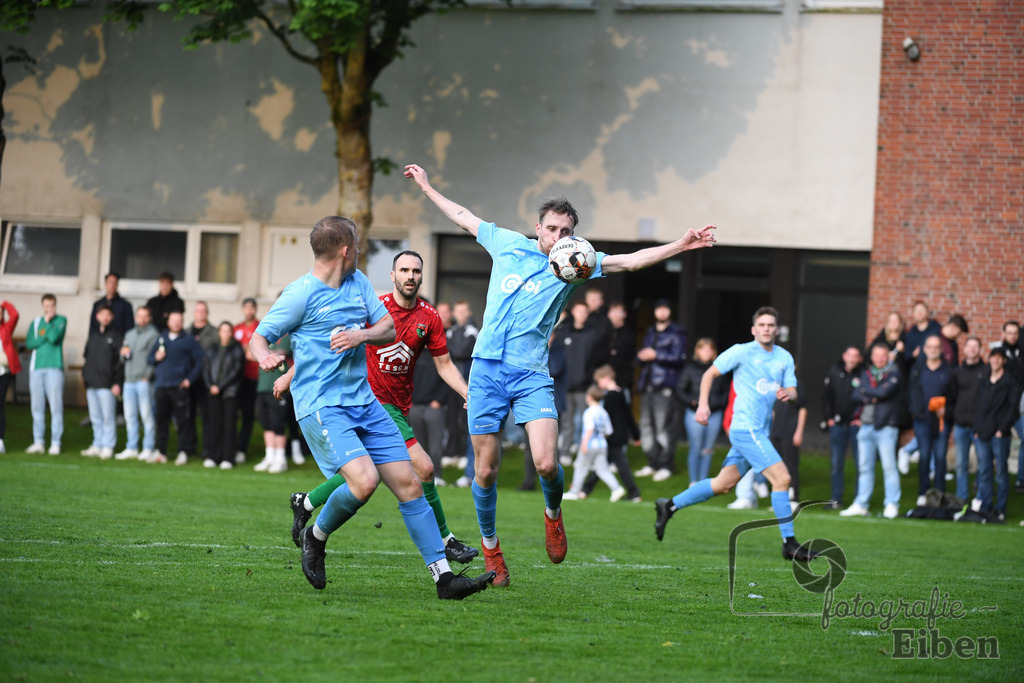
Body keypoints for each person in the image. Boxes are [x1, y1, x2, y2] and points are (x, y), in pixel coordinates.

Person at [405, 162, 716, 586]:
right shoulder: (507, 244)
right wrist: (426, 186)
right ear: (538, 228)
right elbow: (462, 215)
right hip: (486, 370)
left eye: (566, 232)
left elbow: (630, 261)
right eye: (552, 229)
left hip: (531, 372)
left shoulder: (575, 264)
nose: (558, 238)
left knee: (548, 463)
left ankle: (553, 515)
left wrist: (680, 245)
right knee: (485, 470)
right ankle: (492, 551)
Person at [252, 219, 493, 599]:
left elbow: (384, 330)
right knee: (364, 481)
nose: (362, 251)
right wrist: (266, 357)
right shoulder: (300, 294)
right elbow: (258, 337)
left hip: (366, 402)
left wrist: (359, 335)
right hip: (323, 405)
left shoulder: (359, 283)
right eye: (359, 246)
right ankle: (316, 537)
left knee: (411, 483)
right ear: (346, 250)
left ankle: (445, 579)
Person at [287, 250, 480, 567]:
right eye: (403, 270)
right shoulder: (374, 307)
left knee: (370, 471)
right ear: (393, 275)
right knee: (426, 468)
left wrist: (467, 392)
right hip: (369, 401)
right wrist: (290, 374)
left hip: (398, 406)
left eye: (416, 271)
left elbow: (444, 365)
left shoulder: (429, 317)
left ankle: (306, 502)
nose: (410, 276)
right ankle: (446, 541)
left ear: (421, 275)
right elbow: (330, 343)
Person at [655, 307, 818, 562]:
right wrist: (703, 404)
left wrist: (789, 395)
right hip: (745, 428)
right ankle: (790, 544)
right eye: (761, 324)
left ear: (776, 329)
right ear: (754, 329)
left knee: (723, 485)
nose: (766, 328)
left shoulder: (784, 357)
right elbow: (710, 373)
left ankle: (670, 505)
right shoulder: (742, 351)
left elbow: (794, 391)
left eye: (770, 325)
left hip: (760, 430)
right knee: (782, 479)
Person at [840, 343, 903, 518]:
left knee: (889, 467)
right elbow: (856, 394)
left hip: (886, 427)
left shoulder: (894, 373)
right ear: (872, 357)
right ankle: (861, 503)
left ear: (888, 357)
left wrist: (867, 393)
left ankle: (891, 503)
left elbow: (883, 393)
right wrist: (872, 394)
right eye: (877, 355)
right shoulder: (866, 372)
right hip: (866, 425)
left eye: (883, 355)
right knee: (864, 467)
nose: (880, 359)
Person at [635, 299, 687, 482]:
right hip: (647, 384)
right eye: (659, 309)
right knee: (646, 427)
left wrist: (656, 355)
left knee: (663, 428)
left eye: (665, 309)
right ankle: (653, 463)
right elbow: (643, 356)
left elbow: (680, 358)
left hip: (665, 386)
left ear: (669, 312)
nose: (662, 313)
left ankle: (666, 465)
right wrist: (641, 356)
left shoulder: (677, 332)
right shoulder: (650, 331)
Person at [147, 311, 204, 465]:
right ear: (168, 322)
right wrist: (156, 357)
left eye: (179, 320)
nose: (176, 323)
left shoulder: (189, 340)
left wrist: (189, 380)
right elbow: (150, 359)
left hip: (178, 387)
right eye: (173, 320)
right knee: (161, 421)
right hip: (161, 386)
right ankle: (161, 451)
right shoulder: (161, 338)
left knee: (182, 422)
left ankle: (183, 452)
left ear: (182, 322)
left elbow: (199, 361)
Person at [578, 365, 642, 502]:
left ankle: (634, 492)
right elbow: (629, 416)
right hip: (619, 435)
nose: (599, 385)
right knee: (602, 464)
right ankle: (585, 490)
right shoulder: (622, 394)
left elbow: (608, 420)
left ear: (607, 378)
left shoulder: (611, 397)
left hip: (613, 436)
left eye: (600, 381)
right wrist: (635, 434)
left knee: (619, 464)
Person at [907, 335, 955, 506]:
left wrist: (947, 410)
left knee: (940, 457)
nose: (933, 350)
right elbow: (911, 393)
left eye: (936, 347)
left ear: (941, 350)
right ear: (925, 349)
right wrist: (915, 412)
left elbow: (954, 397)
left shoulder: (948, 371)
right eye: (930, 347)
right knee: (925, 456)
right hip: (922, 421)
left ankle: (939, 493)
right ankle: (924, 492)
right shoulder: (917, 369)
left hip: (941, 421)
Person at [971, 347, 1018, 523]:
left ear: (1003, 361)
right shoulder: (983, 380)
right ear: (989, 359)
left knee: (1001, 473)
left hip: (999, 434)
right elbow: (977, 406)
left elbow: (1012, 409)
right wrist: (976, 428)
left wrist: (1002, 429)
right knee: (984, 470)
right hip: (982, 432)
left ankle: (1001, 509)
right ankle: (986, 506)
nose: (996, 361)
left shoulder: (1010, 382)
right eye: (993, 357)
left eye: (999, 358)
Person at [554, 300, 603, 466]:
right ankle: (565, 453)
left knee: (586, 422)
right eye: (579, 311)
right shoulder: (562, 333)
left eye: (584, 311)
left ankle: (586, 455)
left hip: (585, 386)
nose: (582, 314)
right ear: (573, 312)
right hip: (566, 387)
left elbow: (596, 360)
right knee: (567, 423)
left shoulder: (593, 334)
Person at [677, 338, 729, 486]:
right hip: (694, 413)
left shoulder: (720, 370)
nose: (706, 352)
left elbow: (725, 392)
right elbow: (681, 390)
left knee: (707, 449)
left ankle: (704, 482)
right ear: (697, 351)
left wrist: (714, 404)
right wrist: (695, 403)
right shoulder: (689, 369)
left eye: (709, 349)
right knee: (696, 447)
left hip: (715, 412)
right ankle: (693, 481)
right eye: (703, 349)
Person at [564, 384, 624, 501]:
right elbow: (608, 431)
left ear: (589, 397)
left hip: (590, 444)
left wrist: (584, 443)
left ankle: (574, 491)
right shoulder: (603, 412)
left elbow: (590, 429)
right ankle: (616, 488)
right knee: (603, 469)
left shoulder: (589, 412)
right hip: (602, 445)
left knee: (581, 467)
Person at [821, 346, 863, 509]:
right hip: (837, 425)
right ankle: (836, 499)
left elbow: (867, 398)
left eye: (856, 356)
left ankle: (859, 501)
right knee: (836, 463)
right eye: (850, 355)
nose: (852, 359)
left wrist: (860, 418)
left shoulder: (863, 374)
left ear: (859, 358)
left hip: (856, 426)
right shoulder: (834, 372)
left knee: (861, 464)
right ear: (844, 356)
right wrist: (829, 418)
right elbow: (825, 397)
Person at [81, 305, 124, 459]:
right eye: (102, 314)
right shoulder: (93, 336)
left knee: (108, 418)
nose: (105, 317)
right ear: (97, 316)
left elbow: (120, 362)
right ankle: (97, 444)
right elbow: (87, 357)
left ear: (111, 317)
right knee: (95, 417)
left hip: (107, 385)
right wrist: (86, 377)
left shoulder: (116, 337)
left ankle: (108, 446)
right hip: (92, 384)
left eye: (108, 315)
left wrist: (117, 383)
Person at [116, 307, 159, 460]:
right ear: (136, 317)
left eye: (145, 316)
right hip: (129, 380)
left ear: (149, 318)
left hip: (143, 381)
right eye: (139, 316)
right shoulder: (129, 334)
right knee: (130, 416)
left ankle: (148, 447)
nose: (141, 319)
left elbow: (155, 358)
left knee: (146, 415)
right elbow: (125, 357)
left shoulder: (153, 335)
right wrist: (122, 355)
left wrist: (147, 375)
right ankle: (132, 447)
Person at [26, 294, 66, 455]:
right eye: (47, 305)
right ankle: (38, 442)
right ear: (43, 306)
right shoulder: (35, 323)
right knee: (37, 406)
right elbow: (30, 343)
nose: (49, 308)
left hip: (54, 368)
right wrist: (44, 336)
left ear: (55, 306)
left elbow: (55, 338)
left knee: (56, 406)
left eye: (52, 305)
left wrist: (48, 325)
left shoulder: (61, 320)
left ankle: (56, 442)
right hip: (36, 368)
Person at [203, 321, 244, 470]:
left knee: (229, 425)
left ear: (231, 333)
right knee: (214, 425)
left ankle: (228, 457)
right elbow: (206, 368)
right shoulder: (212, 348)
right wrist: (211, 386)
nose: (225, 333)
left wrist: (220, 387)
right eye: (223, 330)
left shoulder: (236, 349)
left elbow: (236, 370)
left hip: (230, 393)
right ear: (219, 332)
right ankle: (214, 456)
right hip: (213, 392)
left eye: (228, 331)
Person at [446, 300, 478, 487]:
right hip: (450, 385)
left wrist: (452, 349)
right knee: (451, 421)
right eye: (458, 310)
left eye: (464, 310)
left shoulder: (473, 332)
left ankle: (469, 464)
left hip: (467, 385)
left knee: (468, 424)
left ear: (469, 312)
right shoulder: (449, 332)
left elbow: (459, 352)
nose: (461, 314)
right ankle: (454, 454)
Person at [951, 337, 987, 502]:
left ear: (980, 350)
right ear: (964, 349)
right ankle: (962, 498)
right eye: (969, 346)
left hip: (979, 426)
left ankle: (980, 496)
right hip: (960, 425)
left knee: (983, 463)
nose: (972, 349)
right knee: (961, 464)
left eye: (975, 347)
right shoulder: (957, 372)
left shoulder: (986, 371)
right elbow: (952, 398)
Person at [252, 330, 291, 474]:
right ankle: (270, 457)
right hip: (263, 387)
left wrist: (266, 351)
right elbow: (251, 352)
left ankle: (280, 459)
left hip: (278, 387)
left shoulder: (286, 337)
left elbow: (282, 352)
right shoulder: (264, 337)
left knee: (278, 424)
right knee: (266, 424)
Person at [993, 321, 1024, 492]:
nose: (1012, 336)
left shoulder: (1021, 353)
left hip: (1017, 408)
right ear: (1003, 333)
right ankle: (988, 479)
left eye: (1015, 333)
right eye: (1009, 332)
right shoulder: (998, 353)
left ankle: (1021, 479)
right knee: (995, 443)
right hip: (1000, 408)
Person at [189, 301, 219, 461]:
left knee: (207, 417)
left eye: (203, 311)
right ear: (194, 313)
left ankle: (208, 450)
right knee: (188, 416)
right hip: (189, 380)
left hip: (206, 381)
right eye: (198, 311)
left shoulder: (214, 333)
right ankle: (190, 448)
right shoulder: (186, 331)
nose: (200, 313)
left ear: (207, 313)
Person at [233, 297, 261, 463]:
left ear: (255, 309)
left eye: (252, 308)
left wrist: (247, 351)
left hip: (254, 378)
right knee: (233, 414)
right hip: (237, 378)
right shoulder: (237, 328)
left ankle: (242, 449)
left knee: (248, 415)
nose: (249, 311)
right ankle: (232, 447)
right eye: (246, 307)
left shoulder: (261, 327)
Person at [771, 377, 807, 501]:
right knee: (777, 465)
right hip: (776, 430)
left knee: (790, 464)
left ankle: (793, 496)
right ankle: (780, 496)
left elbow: (803, 408)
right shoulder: (774, 384)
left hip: (790, 430)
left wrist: (799, 432)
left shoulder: (796, 385)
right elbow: (773, 409)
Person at [0, 301, 22, 454]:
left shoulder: (6, 328)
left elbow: (15, 315)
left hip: (3, 372)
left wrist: (4, 303)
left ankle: (0, 441)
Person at [603, 302, 637, 398]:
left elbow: (625, 358)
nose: (615, 315)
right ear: (608, 314)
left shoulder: (628, 334)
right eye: (613, 312)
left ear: (624, 314)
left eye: (618, 312)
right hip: (604, 381)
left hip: (622, 382)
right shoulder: (604, 333)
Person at [89, 272, 134, 337]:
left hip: (118, 341)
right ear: (105, 284)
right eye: (110, 282)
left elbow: (129, 328)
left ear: (117, 285)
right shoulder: (98, 304)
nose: (112, 285)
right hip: (99, 340)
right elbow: (92, 326)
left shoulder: (125, 305)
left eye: (114, 283)